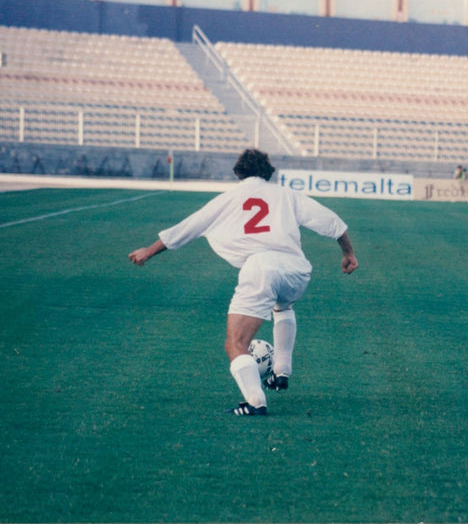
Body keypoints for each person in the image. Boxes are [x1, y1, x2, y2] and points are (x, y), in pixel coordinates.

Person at [128, 149, 359, 416]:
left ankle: (255, 401)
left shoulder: (229, 198)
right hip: (296, 270)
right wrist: (348, 253)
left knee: (235, 343)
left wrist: (149, 250)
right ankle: (281, 372)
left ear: (239, 172)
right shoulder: (287, 194)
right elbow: (331, 222)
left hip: (260, 268)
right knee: (282, 306)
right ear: (267, 172)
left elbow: (188, 228)